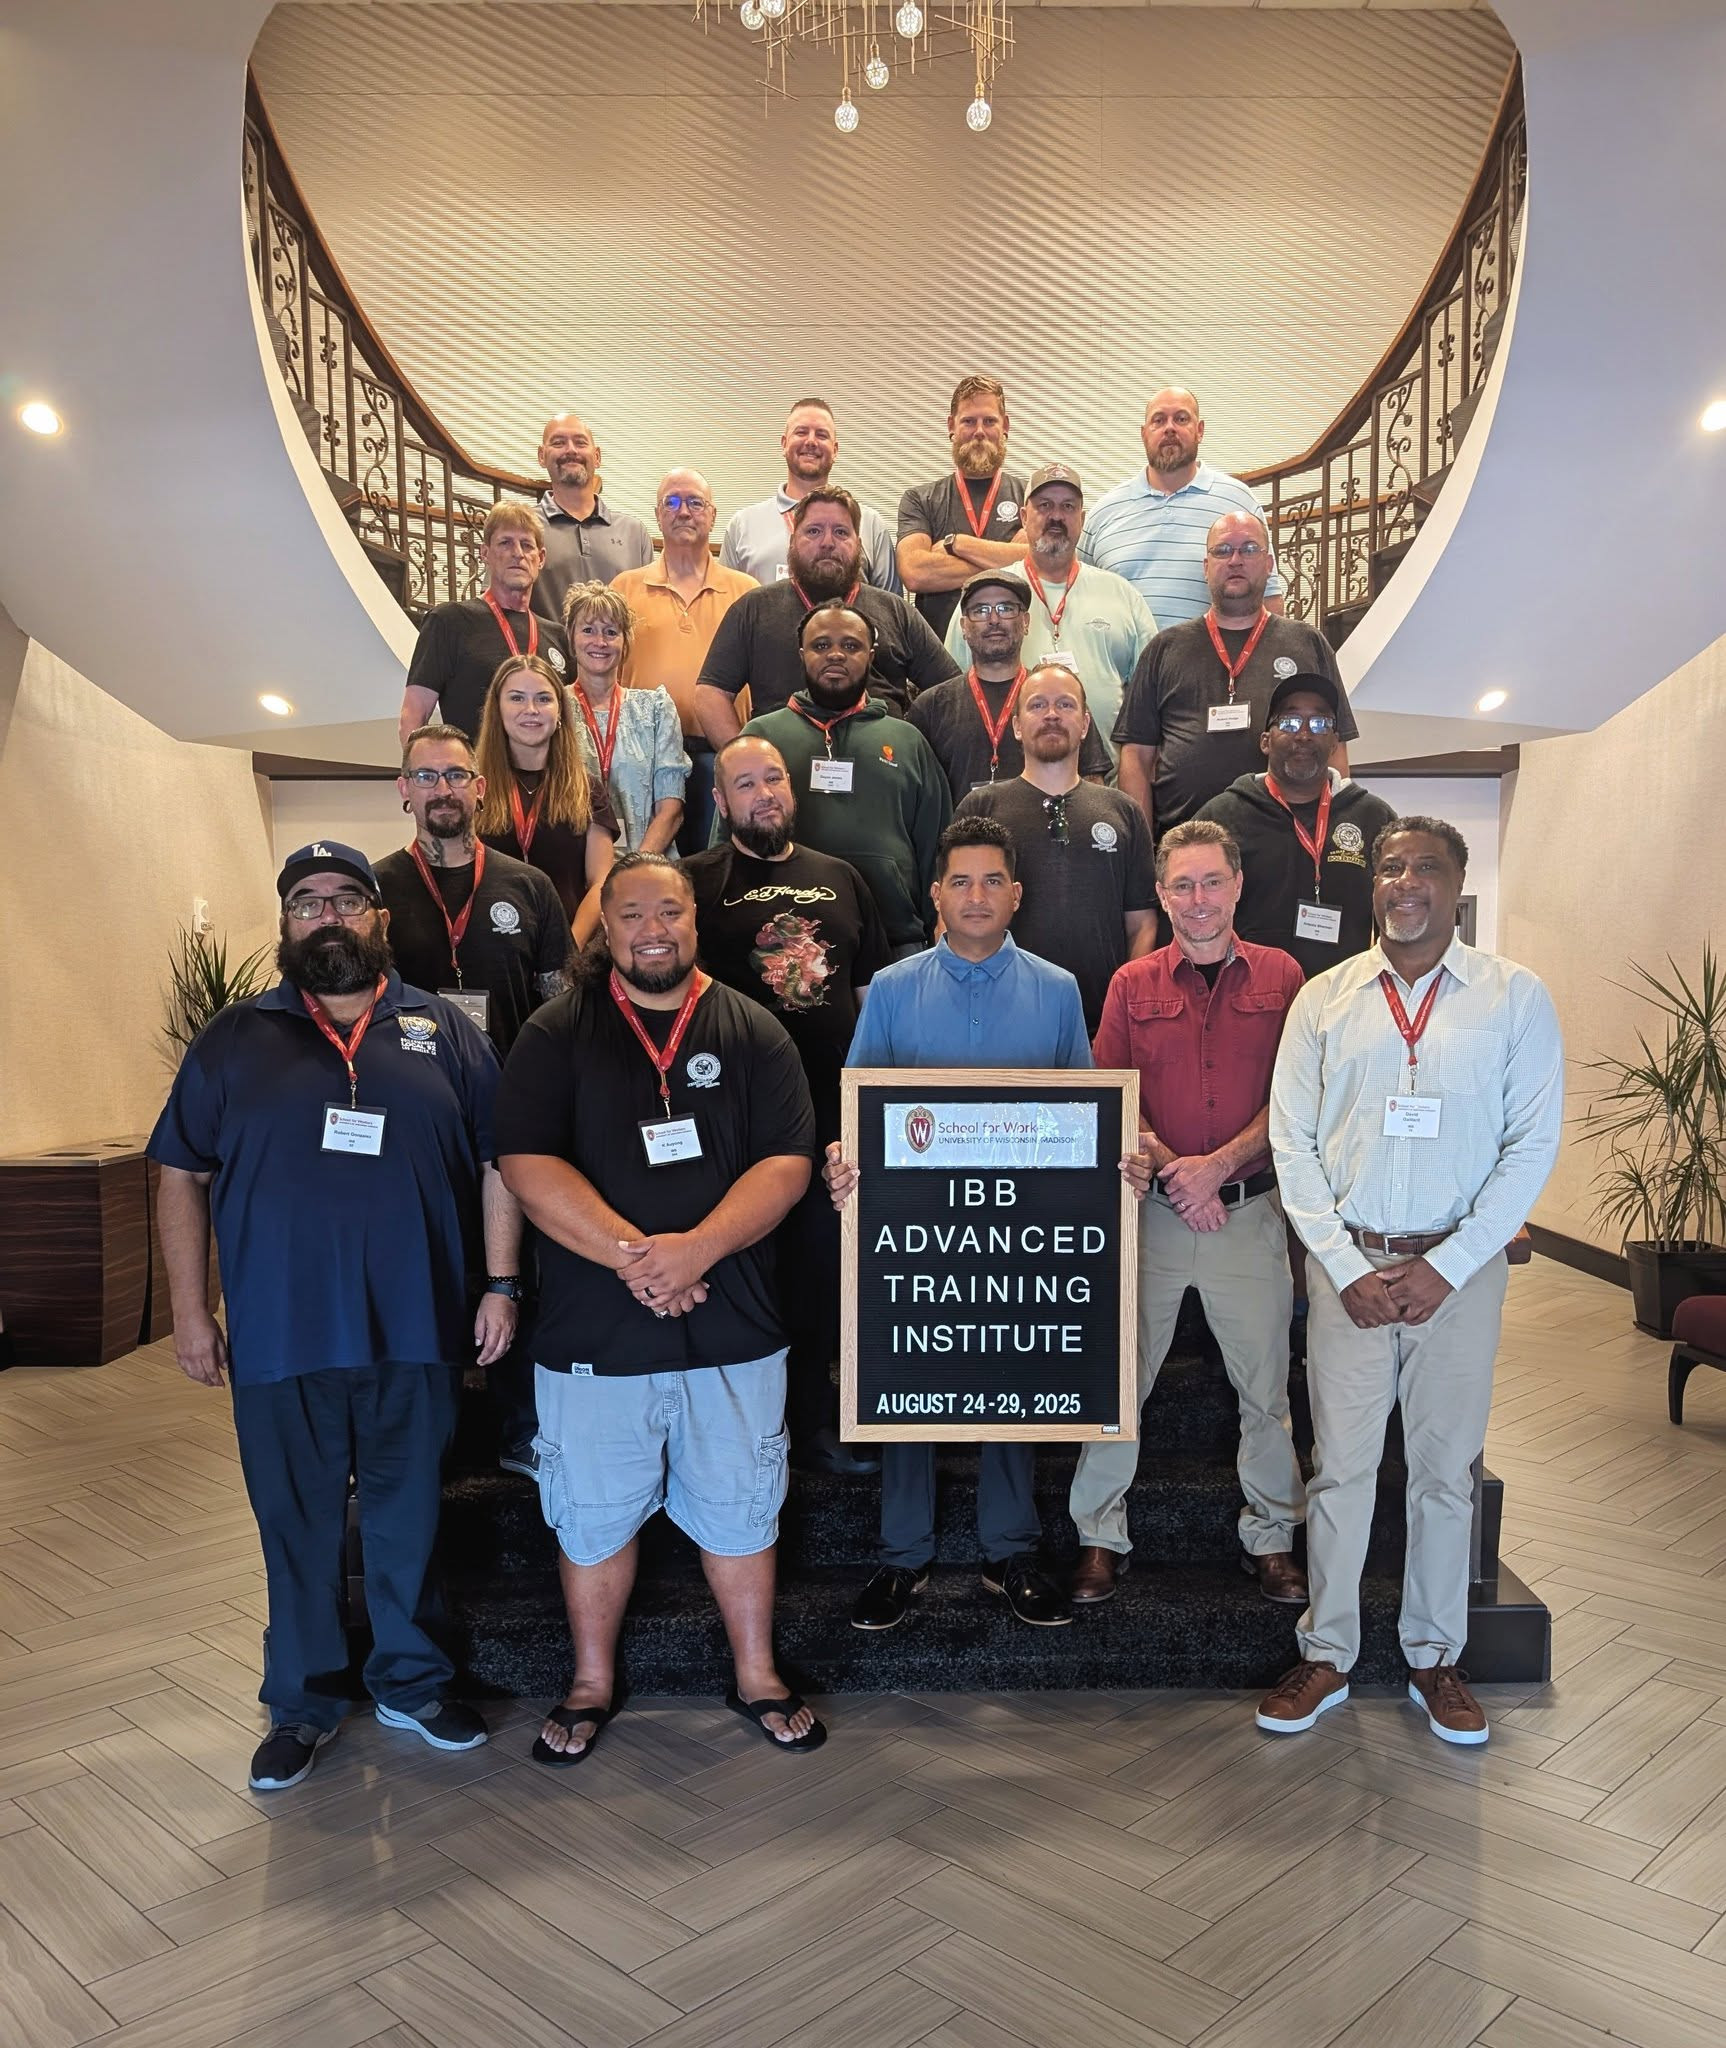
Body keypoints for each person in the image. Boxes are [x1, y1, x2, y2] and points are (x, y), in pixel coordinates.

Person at [149, 841, 518, 1791]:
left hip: (418, 1329)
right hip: (280, 1337)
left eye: (347, 899)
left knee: (408, 1520)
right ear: (286, 923)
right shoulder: (234, 1038)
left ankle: (412, 1684)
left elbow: (500, 1162)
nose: (328, 916)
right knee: (296, 1526)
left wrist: (501, 1283)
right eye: (307, 901)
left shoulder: (443, 1030)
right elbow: (180, 1174)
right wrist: (190, 1312)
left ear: (379, 919)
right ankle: (303, 1703)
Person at [495, 852, 825, 1763]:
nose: (652, 930)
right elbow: (525, 1163)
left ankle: (756, 1673)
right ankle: (591, 1681)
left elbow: (787, 1164)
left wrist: (696, 1251)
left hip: (735, 1325)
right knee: (592, 1516)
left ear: (694, 920)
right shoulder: (555, 1033)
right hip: (593, 1332)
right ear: (605, 928)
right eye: (632, 914)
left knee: (743, 1508)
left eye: (669, 912)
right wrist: (637, 1259)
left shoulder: (754, 1030)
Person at [1260, 817, 1563, 1745]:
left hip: (1458, 1277)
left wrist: (1448, 1265)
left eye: (1426, 866)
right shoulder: (1324, 1000)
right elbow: (1291, 1144)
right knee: (1340, 1472)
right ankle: (1328, 1654)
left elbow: (1531, 1147)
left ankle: (1435, 1658)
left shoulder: (1514, 998)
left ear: (1457, 884)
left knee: (1443, 1475)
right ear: (1374, 884)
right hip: (1347, 1269)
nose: (1405, 881)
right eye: (1390, 866)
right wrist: (1344, 1266)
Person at [825, 817, 1090, 1630]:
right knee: (906, 1377)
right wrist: (842, 1156)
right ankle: (903, 1555)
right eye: (961, 882)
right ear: (936, 895)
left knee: (1011, 1374)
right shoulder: (892, 988)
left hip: (1021, 1226)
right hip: (914, 1228)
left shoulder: (1059, 989)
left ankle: (1009, 1551)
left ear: (1017, 894)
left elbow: (1085, 1112)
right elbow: (859, 1108)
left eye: (993, 881)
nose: (978, 896)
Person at [1067, 820, 1308, 1606]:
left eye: (1211, 882)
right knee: (1118, 1382)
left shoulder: (1284, 977)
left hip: (1250, 1214)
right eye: (1182, 885)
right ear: (1162, 895)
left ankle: (1272, 1537)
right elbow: (1109, 1094)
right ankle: (1100, 1536)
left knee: (1266, 1391)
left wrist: (1218, 1168)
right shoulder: (1131, 985)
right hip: (1152, 1218)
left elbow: (1296, 1099)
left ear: (1237, 887)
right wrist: (1180, 1174)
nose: (1198, 899)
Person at [685, 736, 891, 1477]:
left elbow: (870, 1001)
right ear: (720, 800)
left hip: (831, 1108)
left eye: (772, 778)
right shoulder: (695, 882)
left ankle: (814, 1420)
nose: (763, 793)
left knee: (818, 1266)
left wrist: (872, 1102)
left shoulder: (841, 878)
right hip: (732, 1112)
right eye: (744, 783)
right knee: (740, 1267)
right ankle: (733, 1432)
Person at [1114, 511, 1357, 841]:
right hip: (1185, 848)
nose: (1236, 560)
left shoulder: (1307, 643)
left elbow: (1335, 748)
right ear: (1206, 567)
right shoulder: (1165, 648)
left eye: (1249, 549)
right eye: (1223, 550)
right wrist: (1141, 850)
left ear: (1269, 564)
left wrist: (1331, 839)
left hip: (1287, 843)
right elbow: (1136, 757)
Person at [738, 601, 951, 957]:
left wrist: (942, 919)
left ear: (871, 656)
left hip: (896, 937)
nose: (835, 654)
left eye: (851, 646)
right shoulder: (761, 737)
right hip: (784, 941)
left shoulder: (908, 740)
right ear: (802, 654)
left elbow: (938, 845)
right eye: (821, 645)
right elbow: (729, 840)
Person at [955, 661, 1157, 1034]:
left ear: (1085, 723)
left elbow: (1142, 924)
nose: (1051, 714)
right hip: (999, 1021)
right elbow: (952, 917)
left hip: (1102, 1023)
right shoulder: (981, 807)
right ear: (1017, 726)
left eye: (1065, 704)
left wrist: (1123, 1012)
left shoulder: (1123, 812)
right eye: (1037, 705)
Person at [694, 489, 958, 746]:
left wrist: (915, 748)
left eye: (841, 532)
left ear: (859, 545)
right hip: (781, 768)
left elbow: (951, 691)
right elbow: (711, 693)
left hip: (881, 763)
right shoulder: (753, 609)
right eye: (814, 531)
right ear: (792, 541)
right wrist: (744, 761)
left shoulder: (896, 611)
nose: (828, 542)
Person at [375, 725, 576, 1057]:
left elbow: (565, 1004)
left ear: (479, 787)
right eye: (425, 776)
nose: (443, 790)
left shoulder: (531, 885)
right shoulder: (374, 889)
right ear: (404, 788)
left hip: (511, 1077)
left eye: (456, 775)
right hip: (411, 1077)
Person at [945, 465, 1155, 762]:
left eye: (1068, 506)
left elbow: (1150, 697)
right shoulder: (987, 596)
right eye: (1044, 505)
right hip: (1012, 774)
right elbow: (954, 686)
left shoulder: (1122, 594)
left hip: (1106, 776)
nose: (1056, 516)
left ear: (1082, 519)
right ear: (1023, 517)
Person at [1197, 673, 1397, 978]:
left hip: (1341, 995)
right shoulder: (1221, 817)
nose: (1304, 734)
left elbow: (1396, 912)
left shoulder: (1374, 818)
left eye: (1319, 723)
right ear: (1265, 741)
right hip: (1246, 994)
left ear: (1334, 742)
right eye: (1290, 722)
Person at [614, 470, 758, 855]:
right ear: (657, 515)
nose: (683, 512)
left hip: (720, 754)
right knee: (647, 869)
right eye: (672, 502)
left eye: (695, 502)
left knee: (719, 866)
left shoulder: (747, 592)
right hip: (641, 763)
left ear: (712, 516)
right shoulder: (624, 588)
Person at [1081, 387, 1287, 626]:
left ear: (1200, 430)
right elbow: (1076, 598)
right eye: (1159, 420)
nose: (1170, 428)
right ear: (1144, 434)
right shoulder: (1103, 512)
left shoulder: (1239, 502)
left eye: (1181, 419)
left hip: (1216, 652)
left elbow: (1269, 600)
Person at [911, 567, 1111, 803]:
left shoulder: (1060, 699)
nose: (994, 620)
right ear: (963, 626)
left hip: (1045, 828)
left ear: (1025, 621)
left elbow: (1092, 788)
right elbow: (916, 797)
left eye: (1006, 608)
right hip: (960, 828)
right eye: (980, 610)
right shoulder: (931, 707)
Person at [474, 654, 620, 944]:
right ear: (497, 709)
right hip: (491, 944)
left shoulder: (586, 789)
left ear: (560, 711)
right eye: (517, 698)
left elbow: (601, 882)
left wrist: (569, 947)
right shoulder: (474, 788)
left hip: (570, 944)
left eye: (543, 699)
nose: (531, 710)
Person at [400, 503, 569, 746]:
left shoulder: (558, 637)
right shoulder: (449, 622)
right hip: (475, 769)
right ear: (485, 553)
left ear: (540, 558)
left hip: (545, 770)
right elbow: (413, 717)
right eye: (505, 543)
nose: (517, 553)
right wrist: (418, 768)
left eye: (526, 545)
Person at [896, 374, 1030, 640]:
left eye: (989, 421)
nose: (979, 431)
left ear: (1005, 426)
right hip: (937, 654)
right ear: (951, 426)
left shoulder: (1030, 498)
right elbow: (914, 572)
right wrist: (1010, 560)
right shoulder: (919, 499)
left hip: (1013, 649)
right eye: (968, 421)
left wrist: (956, 544)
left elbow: (1041, 563)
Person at [721, 398, 901, 593]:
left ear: (835, 450)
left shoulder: (871, 525)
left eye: (822, 435)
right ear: (784, 444)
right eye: (801, 432)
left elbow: (889, 607)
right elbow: (726, 602)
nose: (811, 441)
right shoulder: (742, 525)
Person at [562, 581, 690, 853]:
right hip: (573, 864)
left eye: (611, 632)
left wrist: (636, 868)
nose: (600, 642)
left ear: (625, 641)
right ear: (571, 637)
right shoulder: (553, 707)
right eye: (588, 630)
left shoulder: (656, 709)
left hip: (648, 862)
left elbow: (671, 810)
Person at [529, 412, 655, 622]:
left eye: (580, 442)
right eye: (558, 443)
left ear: (597, 456)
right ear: (541, 456)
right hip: (542, 645)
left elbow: (648, 613)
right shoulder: (524, 526)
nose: (571, 450)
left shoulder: (634, 532)